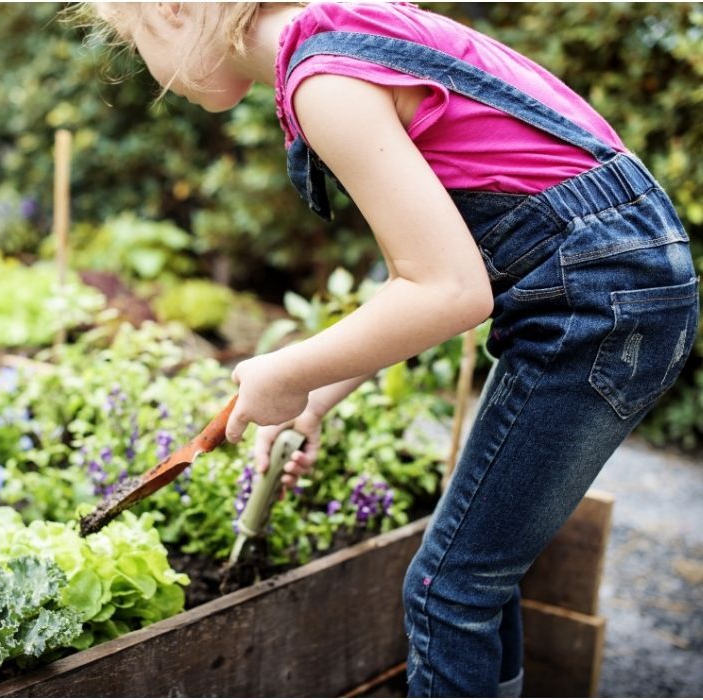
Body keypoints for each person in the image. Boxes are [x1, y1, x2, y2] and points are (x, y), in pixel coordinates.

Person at [87, 2, 699, 696]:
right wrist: (313, 397)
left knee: (447, 592)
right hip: (621, 284)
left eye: (137, 46)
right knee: (475, 579)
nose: (149, 72)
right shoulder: (346, 33)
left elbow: (450, 291)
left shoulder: (325, 83)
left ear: (173, 10)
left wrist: (282, 369)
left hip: (597, 303)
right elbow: (421, 275)